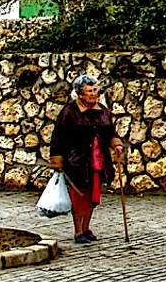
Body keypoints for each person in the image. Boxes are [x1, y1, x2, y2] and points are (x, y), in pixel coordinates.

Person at [48, 72, 124, 244]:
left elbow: (111, 132)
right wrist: (57, 160)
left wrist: (116, 144)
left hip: (98, 160)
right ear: (80, 93)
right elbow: (58, 136)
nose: (93, 93)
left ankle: (87, 228)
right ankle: (78, 231)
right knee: (79, 196)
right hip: (76, 161)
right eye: (89, 91)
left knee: (93, 196)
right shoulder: (69, 112)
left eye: (95, 90)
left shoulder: (102, 111)